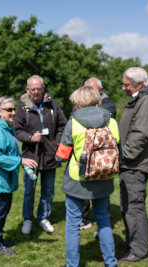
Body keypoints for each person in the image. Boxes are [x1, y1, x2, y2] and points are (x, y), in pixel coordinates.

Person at [56, 86, 119, 267]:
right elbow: (118, 149)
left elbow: (63, 153)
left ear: (79, 102)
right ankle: (110, 262)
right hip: (104, 177)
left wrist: (57, 158)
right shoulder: (111, 121)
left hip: (78, 180)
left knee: (73, 224)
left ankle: (72, 265)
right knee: (104, 220)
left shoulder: (74, 122)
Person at [118, 67, 148, 262]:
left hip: (135, 164)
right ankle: (133, 241)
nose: (123, 88)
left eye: (126, 84)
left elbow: (141, 134)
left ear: (139, 84)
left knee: (134, 206)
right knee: (127, 204)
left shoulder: (147, 100)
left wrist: (124, 155)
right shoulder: (140, 98)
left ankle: (139, 250)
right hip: (130, 163)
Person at [0, 97, 37, 255]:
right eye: (9, 110)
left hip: (5, 178)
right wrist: (20, 160)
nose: (13, 112)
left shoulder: (6, 128)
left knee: (3, 210)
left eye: (14, 109)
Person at [13, 75, 67, 234]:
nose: (36, 92)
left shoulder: (53, 105)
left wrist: (57, 143)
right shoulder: (23, 108)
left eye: (39, 88)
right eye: (33, 89)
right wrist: (30, 138)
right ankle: (28, 219)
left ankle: (43, 217)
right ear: (28, 90)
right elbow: (17, 130)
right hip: (31, 158)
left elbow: (62, 126)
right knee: (29, 191)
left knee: (48, 190)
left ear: (43, 89)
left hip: (50, 156)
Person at [81, 77, 116, 233]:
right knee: (83, 189)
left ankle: (103, 224)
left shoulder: (108, 104)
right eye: (86, 89)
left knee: (101, 192)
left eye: (91, 89)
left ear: (100, 90)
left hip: (102, 158)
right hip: (84, 155)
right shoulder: (80, 106)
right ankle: (85, 219)